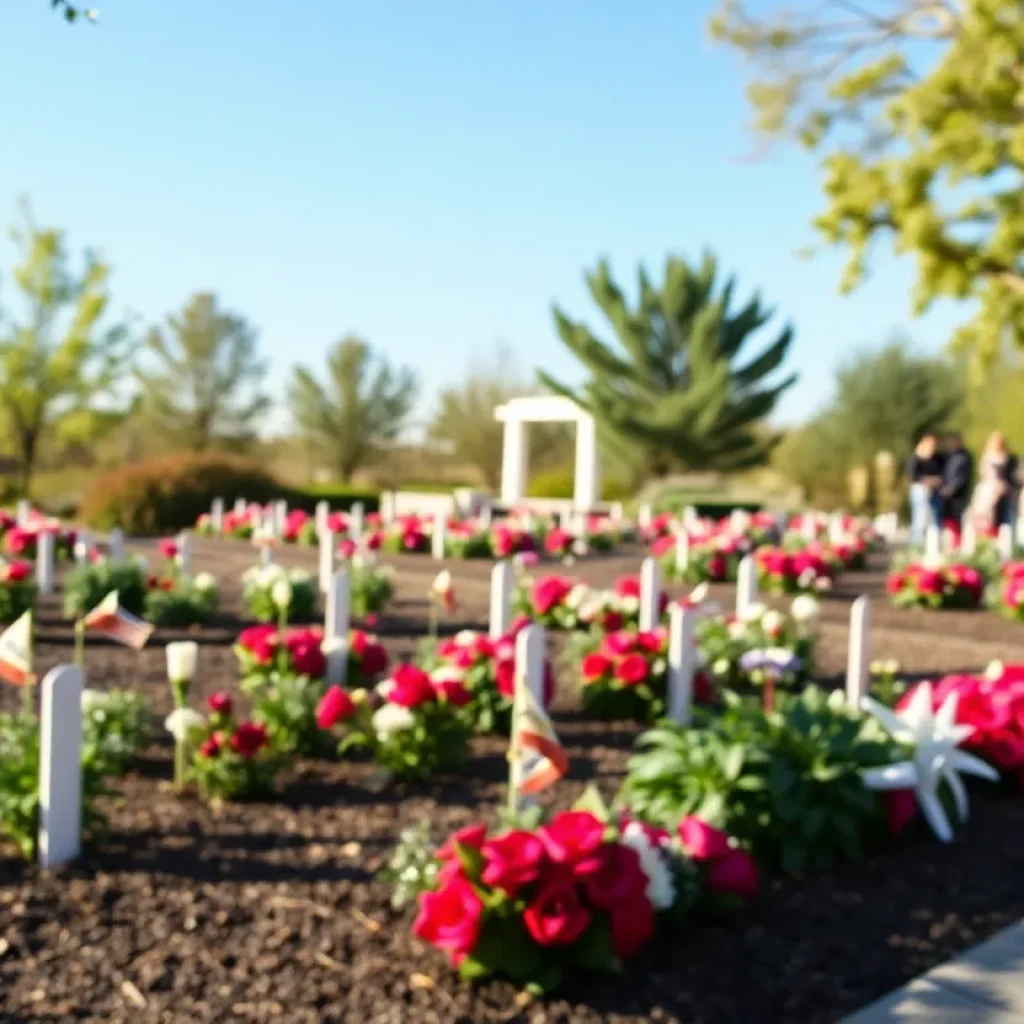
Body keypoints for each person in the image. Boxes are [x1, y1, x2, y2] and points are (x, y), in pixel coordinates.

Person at [970, 431, 1019, 535]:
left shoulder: (1010, 459)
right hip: (989, 493)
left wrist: (1006, 487)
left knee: (1006, 520)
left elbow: (1014, 477)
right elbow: (986, 475)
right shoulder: (987, 458)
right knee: (987, 519)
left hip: (1006, 493)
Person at [906, 432, 944, 548]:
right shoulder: (915, 458)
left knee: (935, 520)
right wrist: (927, 480)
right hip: (920, 490)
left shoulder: (938, 458)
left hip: (935, 491)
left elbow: (942, 473)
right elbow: (913, 476)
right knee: (919, 520)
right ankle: (916, 547)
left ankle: (934, 547)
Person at [940, 431, 974, 542]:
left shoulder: (965, 456)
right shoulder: (946, 455)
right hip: (945, 493)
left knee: (957, 518)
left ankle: (957, 542)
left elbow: (964, 475)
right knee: (947, 519)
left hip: (959, 493)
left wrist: (953, 487)